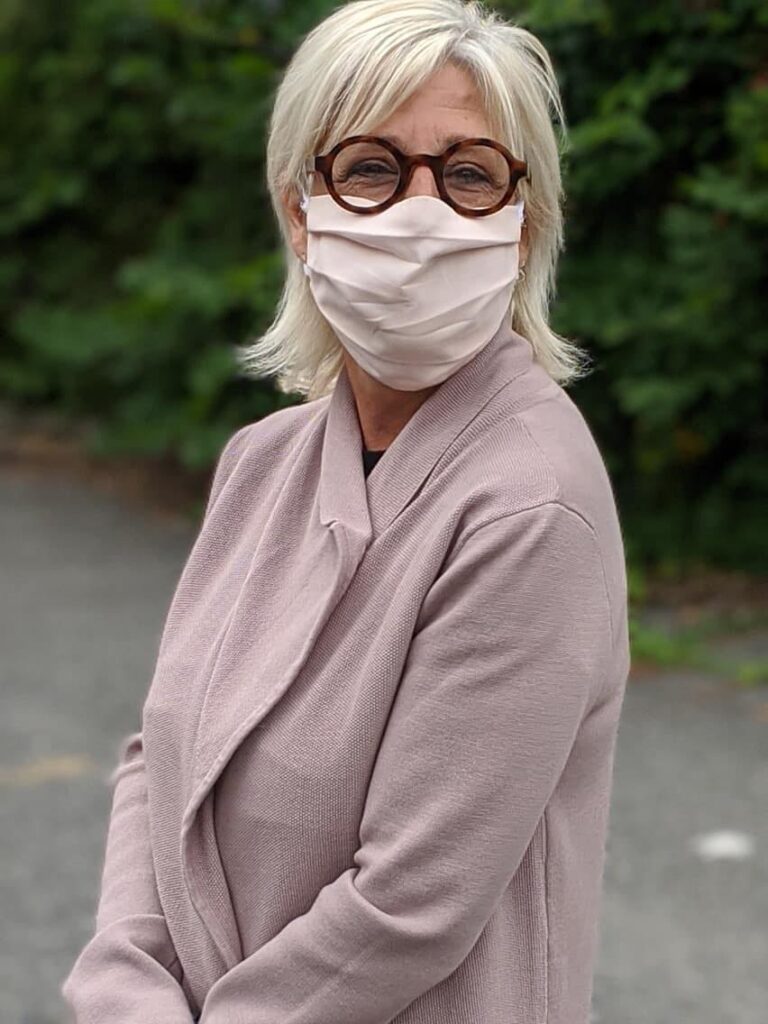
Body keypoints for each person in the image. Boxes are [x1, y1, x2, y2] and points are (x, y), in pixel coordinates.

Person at [61, 2, 631, 1022]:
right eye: (371, 168)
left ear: (525, 222)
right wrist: (124, 983)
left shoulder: (531, 505)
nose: (420, 215)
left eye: (468, 175)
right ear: (299, 210)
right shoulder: (262, 462)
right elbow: (163, 755)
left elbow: (412, 902)